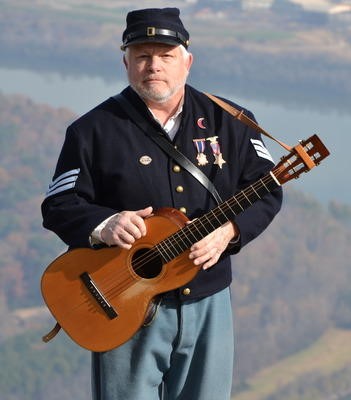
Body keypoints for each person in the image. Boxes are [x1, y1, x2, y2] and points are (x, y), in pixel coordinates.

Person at [41, 7, 282, 400]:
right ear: (126, 63)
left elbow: (268, 189)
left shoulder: (231, 122)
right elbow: (59, 205)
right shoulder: (91, 131)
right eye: (142, 56)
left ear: (187, 61)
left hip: (208, 300)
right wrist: (105, 224)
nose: (154, 66)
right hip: (122, 303)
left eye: (166, 55)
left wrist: (231, 232)